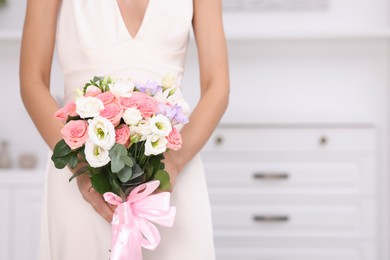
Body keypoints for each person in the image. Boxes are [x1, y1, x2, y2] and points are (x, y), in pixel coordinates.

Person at [20, 0, 229, 259]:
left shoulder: (173, 168)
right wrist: (82, 168)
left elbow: (217, 86)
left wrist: (172, 165)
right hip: (82, 177)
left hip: (172, 178)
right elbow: (32, 80)